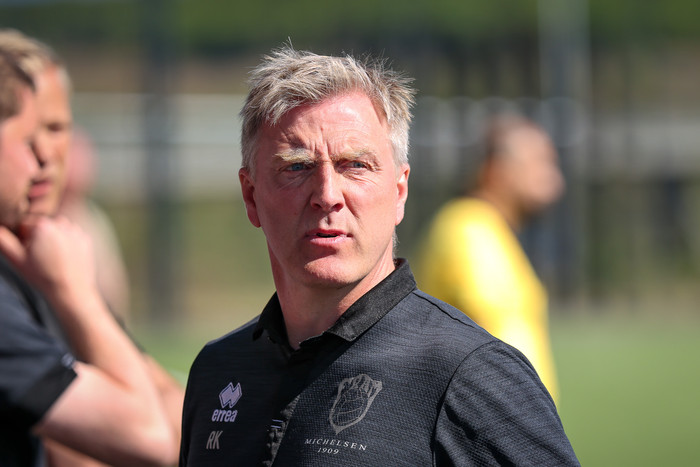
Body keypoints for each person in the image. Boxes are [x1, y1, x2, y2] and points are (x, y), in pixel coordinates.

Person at [180, 46, 579, 466]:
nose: (327, 195)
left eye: (355, 165)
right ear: (251, 196)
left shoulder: (470, 375)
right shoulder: (217, 370)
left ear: (399, 191)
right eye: (296, 167)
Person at [0, 37, 180, 466]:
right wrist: (74, 292)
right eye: (26, 136)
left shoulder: (38, 254)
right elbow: (146, 437)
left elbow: (169, 407)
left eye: (55, 129)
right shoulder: (49, 273)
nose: (45, 156)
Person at [416, 113, 565, 403]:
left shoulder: (491, 230)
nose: (554, 180)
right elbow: (495, 334)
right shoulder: (469, 227)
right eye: (539, 162)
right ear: (495, 170)